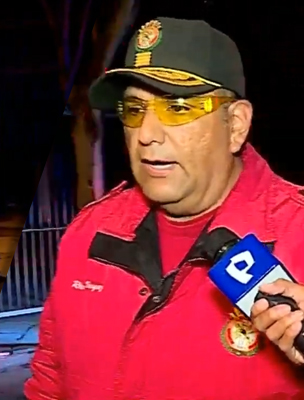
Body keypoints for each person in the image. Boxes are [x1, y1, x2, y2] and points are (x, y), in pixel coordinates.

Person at [25, 17, 304, 400]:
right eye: (134, 109)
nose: (146, 134)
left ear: (236, 125)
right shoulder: (88, 234)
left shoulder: (297, 233)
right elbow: (50, 379)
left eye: (177, 107)